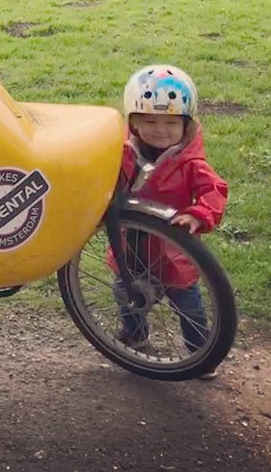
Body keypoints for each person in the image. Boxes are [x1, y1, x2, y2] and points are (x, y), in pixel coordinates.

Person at [113, 64, 229, 377]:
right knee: (126, 293)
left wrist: (198, 214)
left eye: (170, 122)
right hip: (129, 247)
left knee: (189, 306)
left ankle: (200, 351)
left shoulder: (190, 163)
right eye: (148, 120)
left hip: (173, 255)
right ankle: (134, 334)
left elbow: (214, 191)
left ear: (186, 123)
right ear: (133, 122)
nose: (159, 129)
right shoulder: (122, 152)